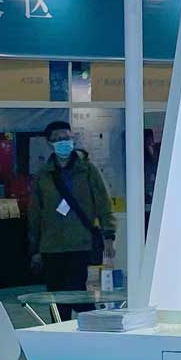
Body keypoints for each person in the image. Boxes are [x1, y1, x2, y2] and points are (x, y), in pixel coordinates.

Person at [26, 119, 112, 297]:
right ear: (49, 143)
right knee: (56, 296)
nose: (63, 142)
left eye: (66, 137)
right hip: (52, 246)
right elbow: (35, 213)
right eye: (57, 139)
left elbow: (103, 203)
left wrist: (109, 235)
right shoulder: (43, 175)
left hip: (81, 243)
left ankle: (86, 316)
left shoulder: (88, 170)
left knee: (77, 293)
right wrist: (35, 249)